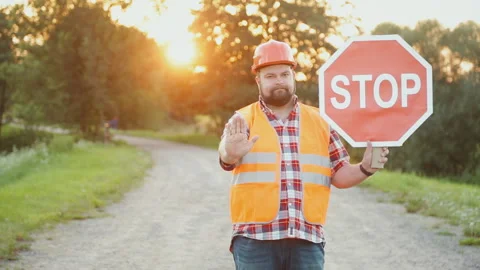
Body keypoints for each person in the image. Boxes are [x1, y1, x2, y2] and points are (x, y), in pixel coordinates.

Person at [218, 39, 389, 270]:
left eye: (284, 74)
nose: (279, 80)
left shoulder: (321, 120)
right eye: (270, 76)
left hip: (306, 239)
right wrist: (229, 153)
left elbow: (339, 175)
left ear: (293, 76)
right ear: (258, 80)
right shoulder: (243, 118)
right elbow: (225, 156)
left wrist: (365, 168)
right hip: (254, 239)